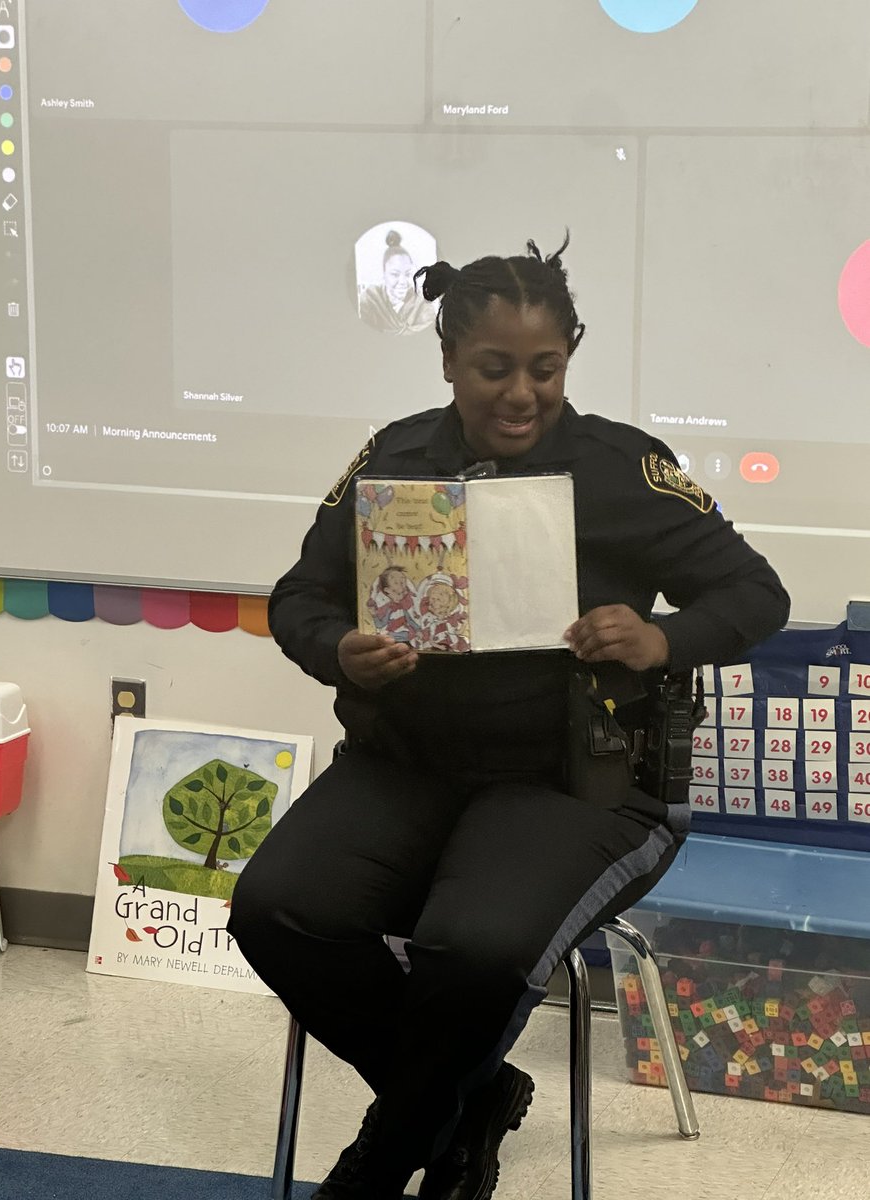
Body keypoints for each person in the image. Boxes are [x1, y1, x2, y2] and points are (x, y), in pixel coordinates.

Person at [229, 235, 790, 1200]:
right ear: (448, 360)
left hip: (576, 778)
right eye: (494, 369)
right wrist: (338, 647)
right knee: (278, 911)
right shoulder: (394, 459)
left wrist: (662, 640)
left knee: (475, 948)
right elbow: (298, 599)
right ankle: (473, 1103)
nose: (521, 393)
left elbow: (755, 594)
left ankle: (383, 1158)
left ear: (569, 358)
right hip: (406, 763)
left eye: (546, 369)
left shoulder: (621, 468)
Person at [358, 229, 438, 335]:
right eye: (395, 275)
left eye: (408, 274)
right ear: (384, 275)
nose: (402, 282)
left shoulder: (422, 305)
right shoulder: (370, 300)